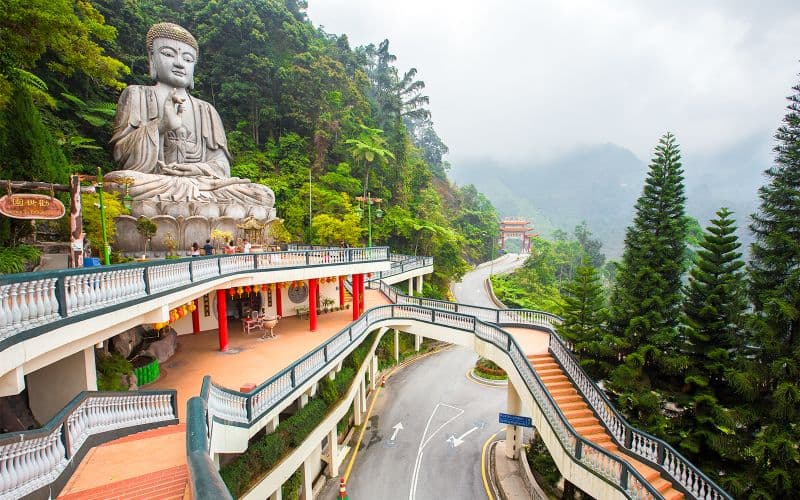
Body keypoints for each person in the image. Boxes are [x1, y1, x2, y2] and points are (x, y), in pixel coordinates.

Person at [105, 22, 275, 220]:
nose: (179, 63)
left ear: (193, 66)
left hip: (204, 185)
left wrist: (195, 169)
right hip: (156, 182)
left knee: (262, 194)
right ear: (152, 58)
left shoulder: (207, 110)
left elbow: (222, 167)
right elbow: (122, 156)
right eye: (168, 54)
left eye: (187, 58)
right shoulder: (137, 95)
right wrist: (161, 126)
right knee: (121, 184)